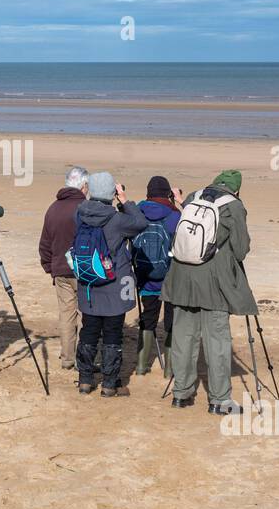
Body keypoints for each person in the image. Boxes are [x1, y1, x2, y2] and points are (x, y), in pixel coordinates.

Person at [161, 169, 257, 414]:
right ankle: (219, 400)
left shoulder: (195, 196)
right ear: (236, 189)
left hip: (181, 278)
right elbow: (240, 249)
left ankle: (181, 395)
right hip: (214, 285)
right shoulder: (234, 206)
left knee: (184, 337)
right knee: (217, 342)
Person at [73, 171, 147, 397]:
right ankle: (109, 384)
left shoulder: (79, 213)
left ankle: (85, 381)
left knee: (89, 331)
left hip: (88, 283)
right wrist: (124, 200)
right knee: (113, 335)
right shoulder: (116, 219)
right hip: (113, 285)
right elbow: (141, 223)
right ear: (111, 193)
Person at [38, 165, 89, 371]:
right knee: (87, 315)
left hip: (61, 270)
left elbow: (44, 245)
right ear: (83, 185)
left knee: (67, 315)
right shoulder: (85, 207)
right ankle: (82, 357)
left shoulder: (53, 208)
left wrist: (51, 268)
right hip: (83, 271)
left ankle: (68, 358)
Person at [136, 175, 182, 376]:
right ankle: (169, 369)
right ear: (167, 194)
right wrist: (178, 201)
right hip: (170, 277)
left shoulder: (138, 213)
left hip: (145, 275)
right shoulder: (175, 216)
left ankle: (141, 365)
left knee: (148, 318)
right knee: (171, 320)